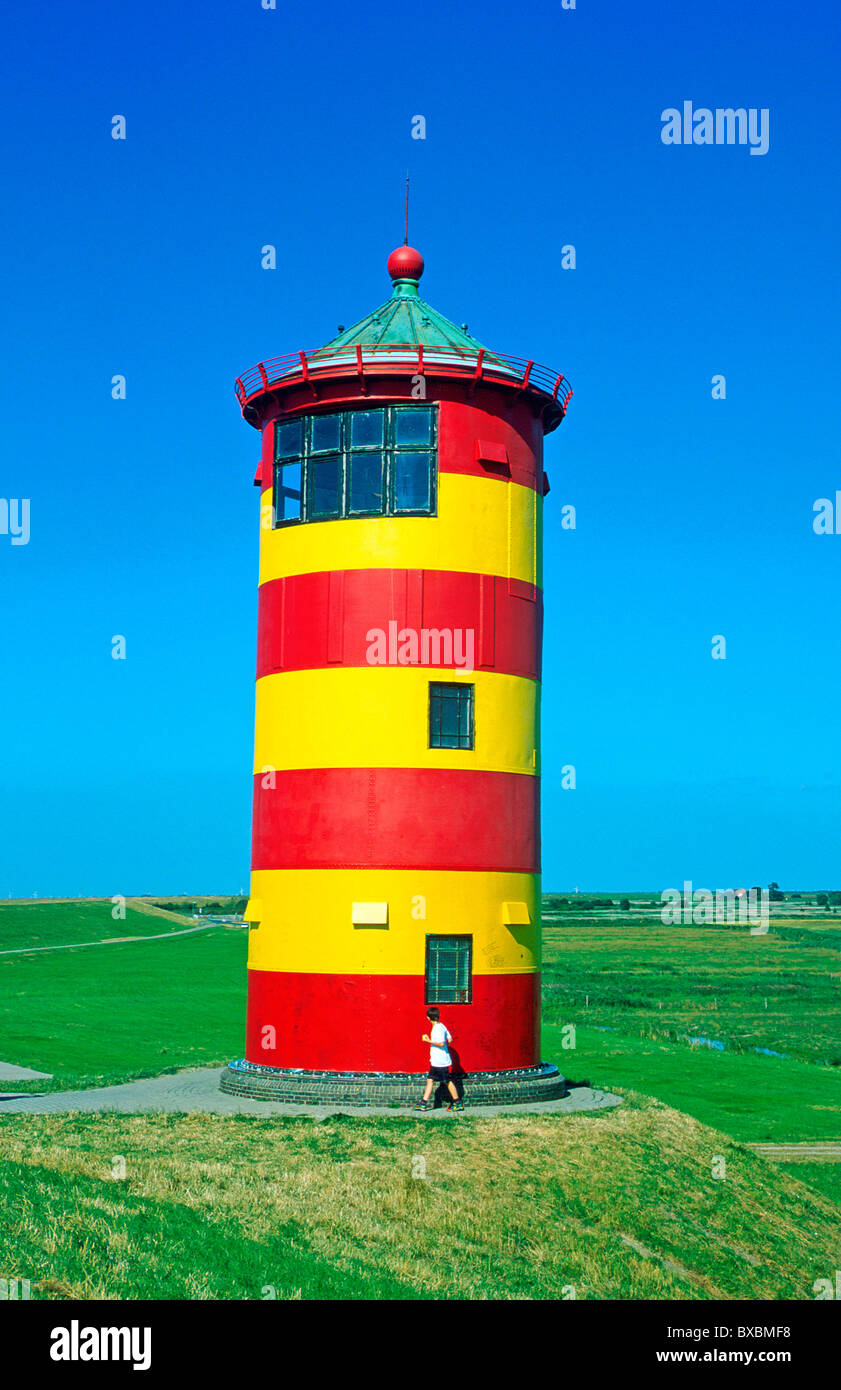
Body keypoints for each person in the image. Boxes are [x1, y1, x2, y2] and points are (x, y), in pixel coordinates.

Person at [415, 1006, 463, 1111]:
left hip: (440, 1062)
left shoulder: (437, 1029)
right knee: (430, 1080)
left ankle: (457, 1102)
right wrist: (445, 1047)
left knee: (447, 1082)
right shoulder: (442, 1026)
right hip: (437, 1061)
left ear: (428, 1018)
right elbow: (449, 1039)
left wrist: (428, 1041)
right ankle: (423, 1103)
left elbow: (441, 1043)